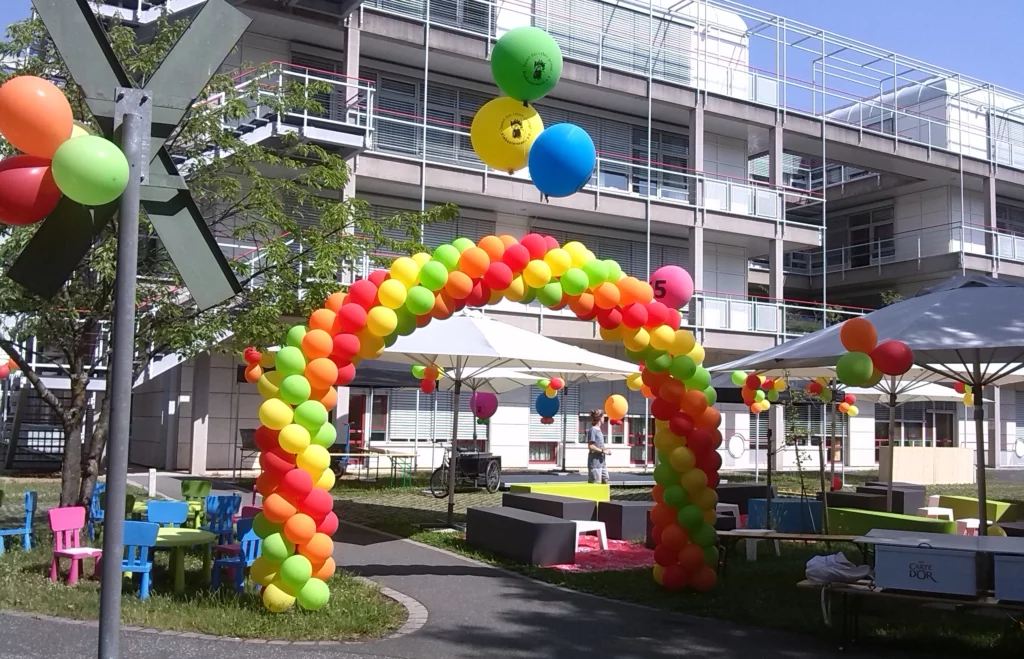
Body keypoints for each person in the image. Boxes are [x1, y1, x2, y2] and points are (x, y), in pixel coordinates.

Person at [586, 409, 610, 484]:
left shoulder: (599, 430)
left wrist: (605, 449)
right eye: (603, 417)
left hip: (602, 461)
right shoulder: (593, 430)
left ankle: (604, 495)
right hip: (595, 463)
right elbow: (591, 446)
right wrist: (603, 451)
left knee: (605, 479)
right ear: (600, 418)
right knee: (595, 483)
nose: (604, 419)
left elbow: (598, 445)